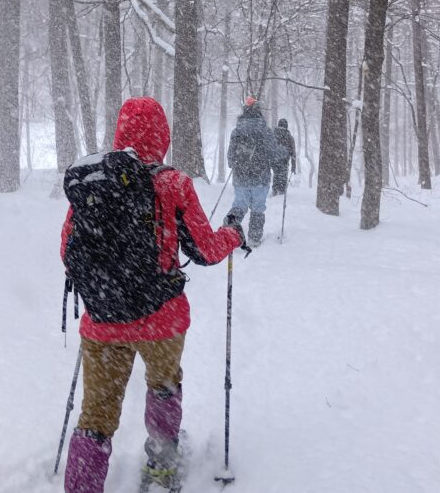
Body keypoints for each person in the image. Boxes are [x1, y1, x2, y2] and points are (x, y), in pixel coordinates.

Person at [60, 97, 244, 493]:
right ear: (163, 135)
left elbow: (67, 250)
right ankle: (162, 468)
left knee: (95, 415)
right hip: (162, 319)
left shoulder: (94, 182)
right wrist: (234, 234)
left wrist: (105, 282)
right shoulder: (173, 183)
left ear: (120, 131)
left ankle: (82, 487)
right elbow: (205, 250)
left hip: (103, 321)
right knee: (163, 386)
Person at [226, 96, 284, 247]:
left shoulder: (236, 131)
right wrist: (283, 152)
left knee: (239, 205)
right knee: (258, 208)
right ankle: (254, 239)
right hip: (260, 177)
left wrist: (236, 165)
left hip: (240, 178)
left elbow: (230, 158)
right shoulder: (265, 131)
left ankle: (229, 232)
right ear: (259, 113)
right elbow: (273, 154)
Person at [271, 118, 297, 197]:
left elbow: (270, 148)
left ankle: (275, 191)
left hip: (275, 161)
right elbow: (293, 153)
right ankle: (281, 192)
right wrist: (293, 165)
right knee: (283, 176)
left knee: (276, 175)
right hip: (284, 161)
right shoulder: (289, 137)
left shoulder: (273, 135)